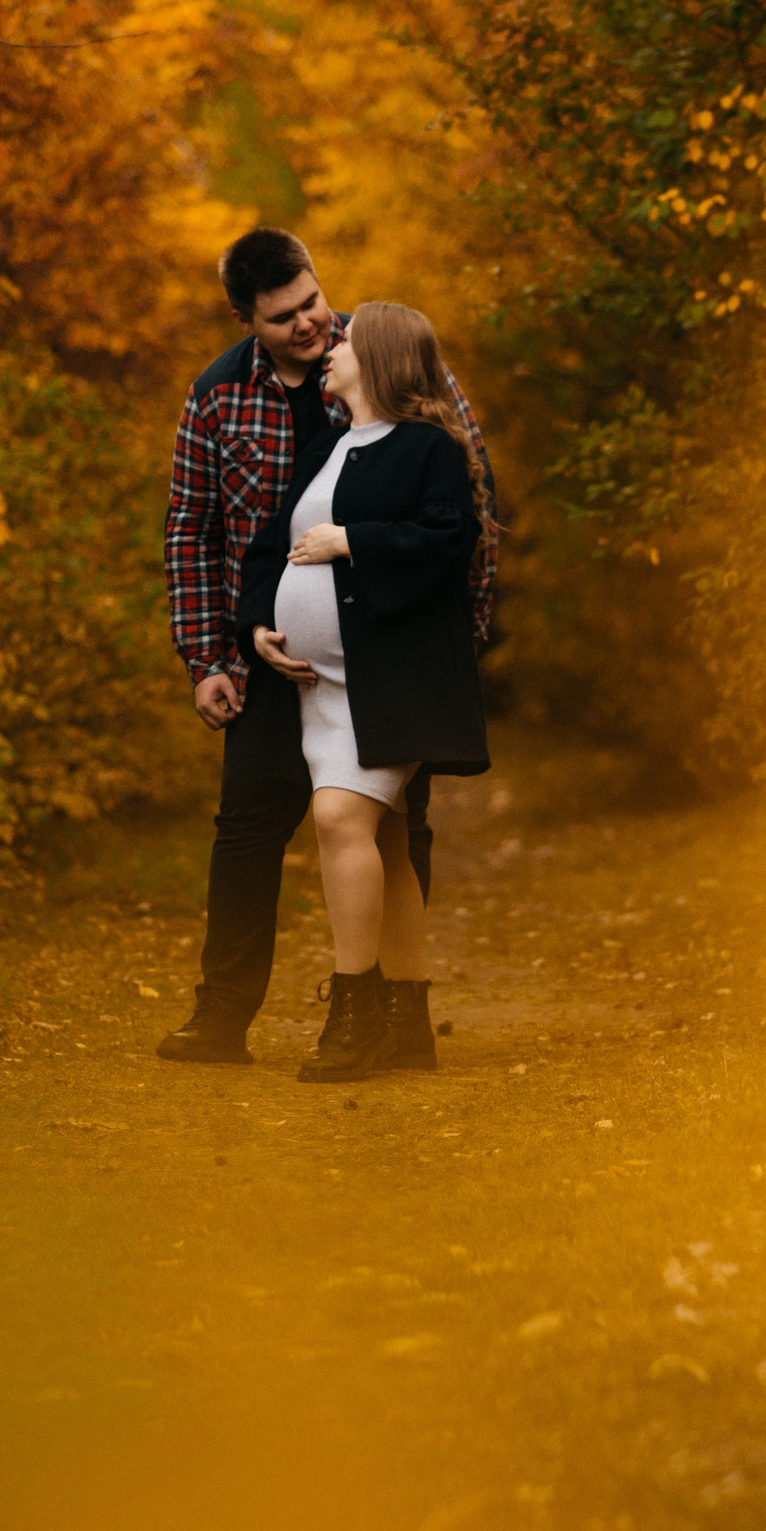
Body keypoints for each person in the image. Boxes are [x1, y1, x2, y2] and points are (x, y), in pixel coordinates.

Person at [157, 230, 497, 1069]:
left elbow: (469, 506)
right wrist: (215, 653)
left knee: (393, 831)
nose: (311, 323)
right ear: (248, 321)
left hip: (387, 660)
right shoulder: (218, 397)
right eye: (284, 317)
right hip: (271, 664)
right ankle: (223, 1015)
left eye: (312, 301)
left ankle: (391, 1015)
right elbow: (195, 529)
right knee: (248, 826)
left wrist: (457, 644)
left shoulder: (384, 352)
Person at [234, 302, 492, 1079]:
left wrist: (352, 540)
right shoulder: (328, 445)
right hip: (321, 690)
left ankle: (356, 1012)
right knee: (384, 842)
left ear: (379, 359)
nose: (330, 347)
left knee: (339, 817)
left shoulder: (427, 448)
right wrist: (258, 626)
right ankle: (408, 1022)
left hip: (390, 682)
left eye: (345, 341)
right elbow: (270, 547)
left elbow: (451, 540)